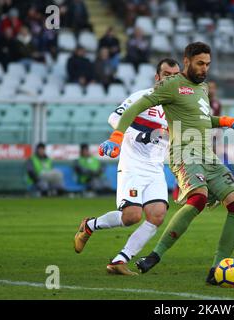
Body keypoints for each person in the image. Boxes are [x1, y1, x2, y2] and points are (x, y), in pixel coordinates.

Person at [98, 42, 234, 285]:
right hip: (184, 153)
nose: (205, 69)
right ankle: (155, 255)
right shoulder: (171, 85)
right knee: (198, 199)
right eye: (200, 63)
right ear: (187, 61)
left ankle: (216, 269)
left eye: (208, 64)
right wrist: (116, 137)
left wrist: (228, 121)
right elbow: (137, 107)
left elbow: (201, 119)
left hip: (207, 156)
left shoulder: (201, 88)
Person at [74, 58, 181, 275]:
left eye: (175, 75)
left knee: (157, 215)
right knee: (131, 216)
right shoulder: (142, 97)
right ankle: (89, 226)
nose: (171, 78)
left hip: (156, 169)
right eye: (167, 74)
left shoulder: (177, 106)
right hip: (133, 165)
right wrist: (137, 134)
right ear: (158, 77)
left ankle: (119, 260)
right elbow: (114, 118)